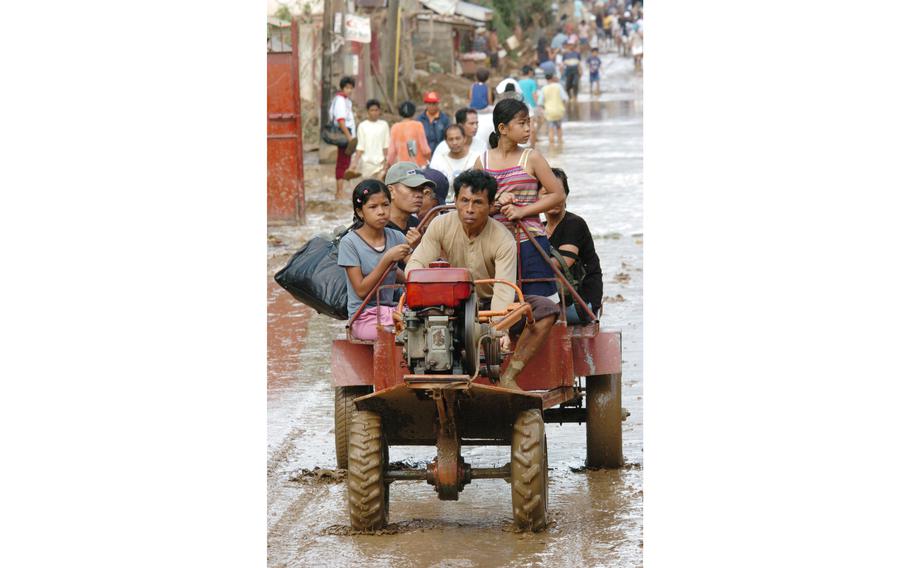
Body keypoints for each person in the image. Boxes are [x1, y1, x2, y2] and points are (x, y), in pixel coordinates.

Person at [406, 169, 560, 391]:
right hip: (451, 303)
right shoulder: (440, 225)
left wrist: (498, 329)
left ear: (490, 206)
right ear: (455, 201)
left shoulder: (502, 238)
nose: (469, 209)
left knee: (547, 309)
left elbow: (503, 288)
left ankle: (510, 375)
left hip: (492, 304)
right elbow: (416, 265)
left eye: (478, 203)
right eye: (464, 201)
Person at [473, 98, 566, 300]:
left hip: (529, 240)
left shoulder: (532, 157)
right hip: (493, 243)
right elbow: (473, 203)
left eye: (529, 123)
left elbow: (557, 194)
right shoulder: (483, 161)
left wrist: (522, 211)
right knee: (496, 301)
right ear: (503, 128)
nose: (528, 129)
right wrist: (497, 204)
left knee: (539, 303)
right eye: (522, 123)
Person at [337, 180, 411, 341]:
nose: (381, 212)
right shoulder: (349, 243)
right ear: (360, 212)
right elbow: (361, 290)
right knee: (396, 333)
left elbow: (412, 270)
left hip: (392, 310)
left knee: (424, 323)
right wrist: (387, 259)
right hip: (364, 315)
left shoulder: (396, 236)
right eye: (373, 207)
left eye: (385, 205)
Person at [541, 168, 603, 324]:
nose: (553, 199)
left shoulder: (574, 223)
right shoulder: (538, 229)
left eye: (557, 193)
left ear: (565, 195)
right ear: (536, 199)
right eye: (546, 193)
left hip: (581, 303)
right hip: (553, 298)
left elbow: (562, 264)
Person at [383, 161, 432, 242]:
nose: (419, 195)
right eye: (412, 188)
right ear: (390, 191)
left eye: (421, 189)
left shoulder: (417, 225)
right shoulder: (377, 227)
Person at [429, 124, 481, 193]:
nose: (454, 142)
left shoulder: (476, 158)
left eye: (458, 138)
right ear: (446, 141)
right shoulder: (438, 161)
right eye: (451, 139)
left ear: (464, 138)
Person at [329, 76, 357, 199]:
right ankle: (339, 192)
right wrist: (349, 137)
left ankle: (342, 190)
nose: (349, 90)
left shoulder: (346, 101)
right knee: (342, 163)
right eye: (347, 87)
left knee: (346, 162)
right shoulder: (340, 100)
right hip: (345, 135)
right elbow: (340, 120)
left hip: (348, 134)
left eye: (351, 88)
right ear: (342, 88)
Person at [351, 99, 390, 181]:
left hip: (380, 163)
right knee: (367, 190)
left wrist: (387, 162)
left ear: (379, 111)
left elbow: (386, 146)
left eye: (376, 110)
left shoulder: (384, 125)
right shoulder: (362, 126)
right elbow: (360, 147)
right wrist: (354, 163)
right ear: (368, 112)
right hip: (367, 164)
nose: (374, 112)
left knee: (380, 189)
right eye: (372, 110)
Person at [386, 101, 432, 167]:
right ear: (413, 112)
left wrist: (388, 165)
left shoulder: (395, 127)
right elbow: (425, 149)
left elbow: (392, 152)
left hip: (403, 166)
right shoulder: (418, 125)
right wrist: (430, 160)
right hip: (418, 165)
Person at [416, 91, 451, 156]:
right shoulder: (419, 120)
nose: (431, 106)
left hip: (440, 155)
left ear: (438, 104)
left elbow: (448, 137)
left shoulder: (444, 120)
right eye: (429, 103)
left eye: (434, 103)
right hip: (423, 155)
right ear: (426, 104)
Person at [538, 72, 568, 144]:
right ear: (553, 78)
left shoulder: (544, 89)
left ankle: (552, 147)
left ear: (546, 79)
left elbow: (540, 103)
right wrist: (564, 107)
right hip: (559, 111)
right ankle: (560, 144)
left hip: (549, 112)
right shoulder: (558, 86)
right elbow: (565, 98)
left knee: (551, 129)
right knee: (559, 128)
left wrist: (543, 111)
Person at [518, 66, 540, 147]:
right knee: (532, 126)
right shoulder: (532, 82)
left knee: (524, 124)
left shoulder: (519, 82)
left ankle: (525, 142)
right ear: (530, 72)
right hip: (531, 106)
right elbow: (534, 94)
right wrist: (538, 104)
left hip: (521, 106)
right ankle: (532, 146)